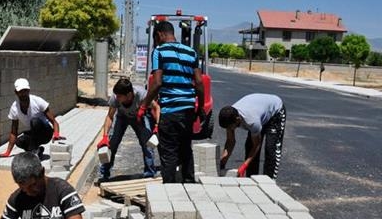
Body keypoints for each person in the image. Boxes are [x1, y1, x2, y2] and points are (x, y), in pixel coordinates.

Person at [139, 21, 205, 184]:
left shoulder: (159, 52)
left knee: (168, 154)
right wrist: (200, 107)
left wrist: (144, 105)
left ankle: (169, 192)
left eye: (155, 38)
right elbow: (199, 82)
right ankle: (189, 185)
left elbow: (157, 82)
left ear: (160, 34)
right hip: (188, 110)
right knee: (186, 150)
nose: (155, 42)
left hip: (170, 112)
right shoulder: (191, 52)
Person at [97, 78, 160, 182]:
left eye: (120, 96)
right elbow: (110, 116)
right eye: (116, 95)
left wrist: (157, 125)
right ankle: (104, 174)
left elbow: (156, 107)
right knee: (112, 144)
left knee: (147, 144)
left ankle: (149, 173)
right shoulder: (115, 97)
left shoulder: (141, 95)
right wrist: (105, 137)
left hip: (139, 117)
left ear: (129, 94)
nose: (117, 98)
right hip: (122, 117)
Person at [218, 93, 287, 179]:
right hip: (259, 111)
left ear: (237, 120)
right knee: (249, 146)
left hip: (276, 112)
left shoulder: (252, 121)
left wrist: (244, 165)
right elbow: (230, 141)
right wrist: (222, 162)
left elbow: (257, 145)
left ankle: (269, 181)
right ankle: (251, 179)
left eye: (230, 128)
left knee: (270, 148)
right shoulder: (229, 116)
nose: (229, 130)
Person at [0, 78, 64, 159]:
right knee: (19, 141)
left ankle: (33, 151)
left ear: (29, 90)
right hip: (33, 134)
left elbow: (54, 121)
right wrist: (7, 152)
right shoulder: (14, 108)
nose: (23, 94)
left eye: (25, 91)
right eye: (20, 92)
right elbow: (13, 132)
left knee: (35, 122)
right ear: (16, 92)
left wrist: (56, 135)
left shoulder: (37, 101)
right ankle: (37, 150)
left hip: (46, 133)